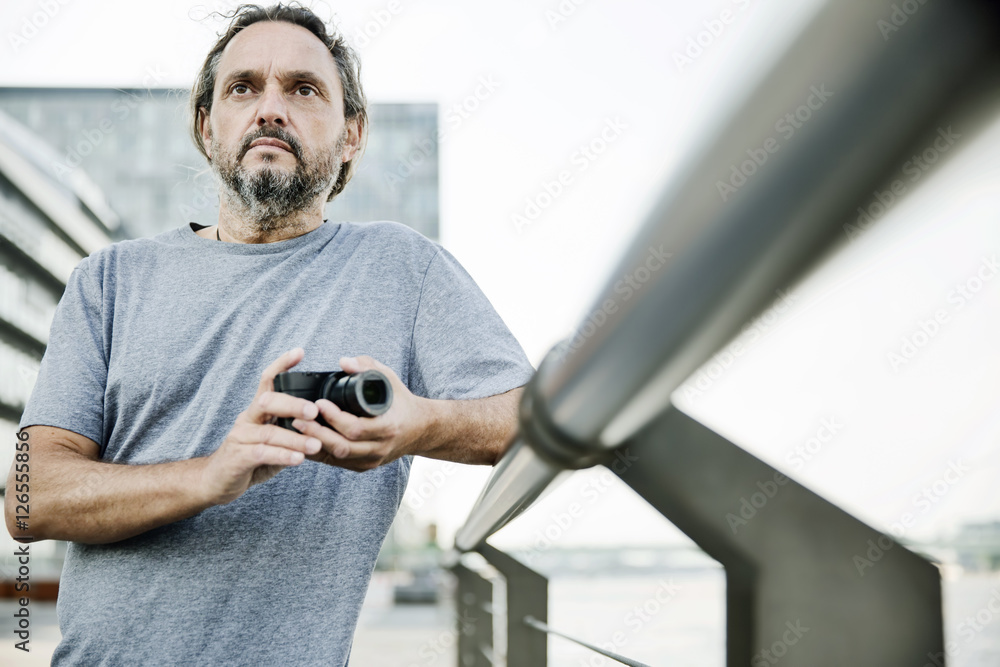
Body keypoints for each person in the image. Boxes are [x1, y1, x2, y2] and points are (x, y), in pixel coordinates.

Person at [4, 4, 534, 665]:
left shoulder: (404, 268)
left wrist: (419, 424)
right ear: (207, 126)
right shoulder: (108, 279)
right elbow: (30, 497)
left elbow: (531, 418)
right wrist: (211, 476)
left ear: (352, 133)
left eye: (304, 89)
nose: (270, 108)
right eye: (243, 87)